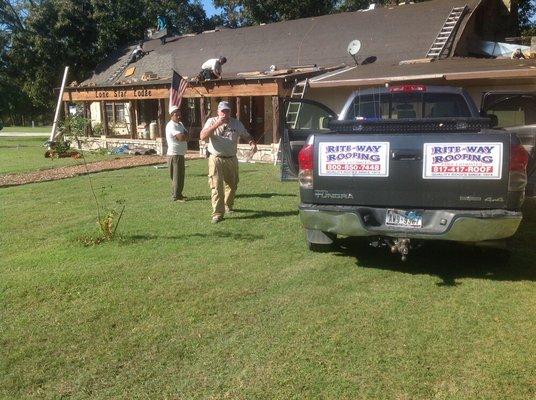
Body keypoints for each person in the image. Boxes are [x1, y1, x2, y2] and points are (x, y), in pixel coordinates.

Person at [200, 101, 257, 223]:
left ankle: (228, 206)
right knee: (216, 186)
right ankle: (217, 213)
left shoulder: (236, 123)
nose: (225, 114)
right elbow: (203, 136)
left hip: (231, 158)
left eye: (227, 111)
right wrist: (216, 124)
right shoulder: (211, 121)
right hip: (216, 158)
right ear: (218, 112)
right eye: (223, 111)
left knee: (232, 184)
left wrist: (252, 143)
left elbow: (246, 134)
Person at [166, 105, 189, 202]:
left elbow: (187, 135)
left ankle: (179, 193)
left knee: (180, 175)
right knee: (176, 176)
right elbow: (182, 138)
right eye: (176, 115)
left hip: (180, 153)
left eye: (179, 114)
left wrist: (185, 135)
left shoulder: (180, 124)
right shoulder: (171, 125)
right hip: (174, 154)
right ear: (171, 115)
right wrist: (184, 135)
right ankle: (176, 196)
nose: (179, 116)